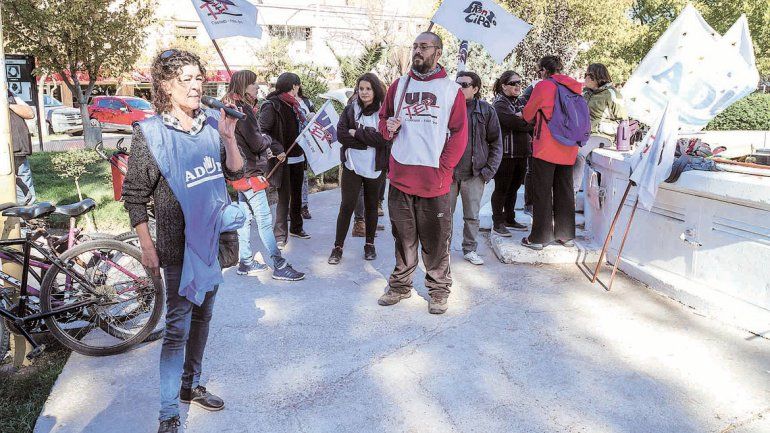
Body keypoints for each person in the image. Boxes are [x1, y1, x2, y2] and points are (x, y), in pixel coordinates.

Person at [122, 49, 244, 433]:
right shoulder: (150, 134)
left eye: (198, 78)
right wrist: (146, 246)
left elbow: (236, 171)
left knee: (203, 318)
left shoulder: (210, 126)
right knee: (177, 328)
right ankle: (168, 412)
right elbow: (135, 194)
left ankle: (190, 386)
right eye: (186, 79)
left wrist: (228, 138)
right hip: (175, 249)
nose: (196, 86)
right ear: (165, 86)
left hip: (212, 245)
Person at [377, 31, 468, 315]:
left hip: (435, 180)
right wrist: (387, 128)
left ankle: (438, 291)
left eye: (424, 47)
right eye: (415, 46)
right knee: (403, 237)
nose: (417, 51)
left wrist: (444, 167)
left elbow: (459, 134)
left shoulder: (451, 91)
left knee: (436, 241)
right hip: (401, 176)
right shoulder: (399, 85)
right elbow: (383, 120)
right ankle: (401, 286)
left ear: (438, 53)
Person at [223, 70, 305, 281]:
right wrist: (267, 141)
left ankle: (246, 261)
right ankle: (279, 264)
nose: (257, 87)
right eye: (253, 84)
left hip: (239, 172)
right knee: (264, 220)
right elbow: (257, 142)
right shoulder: (243, 111)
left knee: (244, 219)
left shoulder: (231, 107)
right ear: (244, 87)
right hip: (250, 172)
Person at [521, 55, 582, 250]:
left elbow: (527, 114)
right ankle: (566, 236)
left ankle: (539, 238)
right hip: (569, 146)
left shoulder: (543, 85)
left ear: (543, 70)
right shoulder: (574, 86)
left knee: (542, 191)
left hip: (547, 146)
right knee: (565, 190)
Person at [328, 72, 389, 264]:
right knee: (347, 206)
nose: (364, 92)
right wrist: (365, 141)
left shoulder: (384, 112)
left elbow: (383, 139)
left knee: (372, 206)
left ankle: (369, 244)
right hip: (352, 165)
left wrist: (358, 133)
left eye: (368, 89)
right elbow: (342, 135)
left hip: (375, 166)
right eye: (361, 88)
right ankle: (338, 247)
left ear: (375, 90)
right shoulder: (350, 109)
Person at [451, 71, 501, 265]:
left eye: (464, 85)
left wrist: (487, 172)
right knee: (443, 215)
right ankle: (441, 250)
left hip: (475, 173)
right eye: (457, 84)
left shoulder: (486, 110)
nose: (459, 88)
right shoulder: (448, 108)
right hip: (449, 172)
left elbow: (496, 142)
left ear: (475, 89)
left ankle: (469, 249)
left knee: (471, 216)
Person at [259, 72, 311, 248]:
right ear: (294, 86)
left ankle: (297, 227)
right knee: (284, 197)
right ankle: (280, 233)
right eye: (298, 86)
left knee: (297, 195)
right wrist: (277, 149)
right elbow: (263, 131)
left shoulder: (296, 105)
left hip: (297, 157)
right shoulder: (272, 105)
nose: (298, 89)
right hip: (282, 159)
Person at [491, 71, 532, 237]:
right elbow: (515, 123)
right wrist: (525, 120)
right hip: (506, 154)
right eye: (513, 83)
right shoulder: (500, 104)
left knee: (514, 188)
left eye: (519, 83)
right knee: (502, 188)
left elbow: (534, 120)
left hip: (522, 153)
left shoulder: (522, 101)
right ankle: (497, 222)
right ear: (504, 86)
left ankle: (509, 218)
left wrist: (524, 119)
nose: (517, 86)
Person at [575, 63, 627, 192]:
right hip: (583, 133)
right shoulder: (586, 92)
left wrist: (600, 126)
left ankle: (572, 192)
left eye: (586, 75)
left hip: (601, 135)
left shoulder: (611, 94)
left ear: (595, 77)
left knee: (578, 153)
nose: (584, 78)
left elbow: (623, 119)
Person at [8, 90, 36, 205]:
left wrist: (8, 104)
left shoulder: (9, 95)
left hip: (18, 148)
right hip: (4, 151)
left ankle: (28, 214)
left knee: (24, 179)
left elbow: (30, 113)